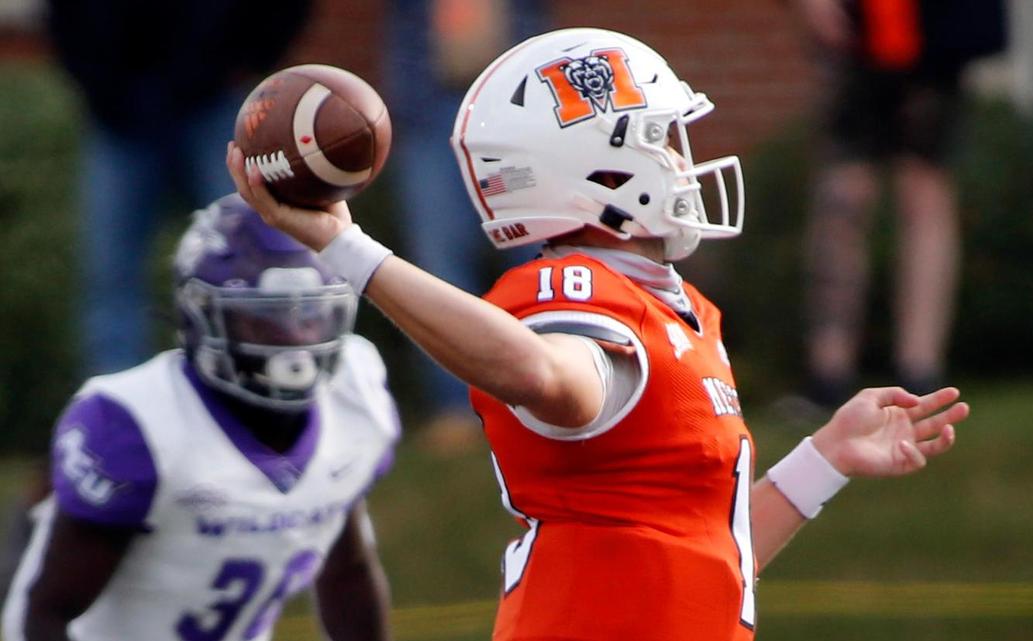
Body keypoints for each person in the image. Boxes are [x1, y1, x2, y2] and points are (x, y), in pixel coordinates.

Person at [228, 27, 969, 641]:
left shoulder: (682, 312)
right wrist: (350, 250)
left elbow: (713, 561)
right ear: (599, 167)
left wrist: (826, 458)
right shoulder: (576, 294)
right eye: (665, 138)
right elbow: (549, 378)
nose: (684, 159)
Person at [1, 194, 400, 641]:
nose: (292, 340)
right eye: (262, 321)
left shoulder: (355, 390)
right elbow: (45, 612)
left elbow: (347, 569)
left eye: (309, 315)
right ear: (199, 317)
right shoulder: (135, 425)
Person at [46, 0, 313, 376]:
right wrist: (96, 81)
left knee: (253, 262)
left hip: (213, 100)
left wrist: (250, 56)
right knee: (110, 276)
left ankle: (260, 397)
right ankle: (118, 417)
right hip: (116, 113)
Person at [790, 0, 1006, 409]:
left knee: (923, 191)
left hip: (937, 31)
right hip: (856, 29)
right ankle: (828, 373)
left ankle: (920, 372)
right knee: (844, 196)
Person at [381, 0, 548, 452]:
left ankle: (553, 392)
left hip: (517, 111)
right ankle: (457, 406)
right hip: (429, 105)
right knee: (439, 261)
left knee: (537, 251)